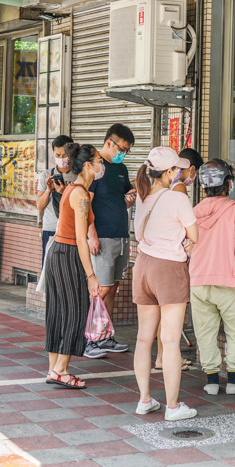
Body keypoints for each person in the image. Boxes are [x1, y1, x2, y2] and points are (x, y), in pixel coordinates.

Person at [132, 147, 199, 421]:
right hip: (169, 268)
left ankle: (144, 400)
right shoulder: (176, 197)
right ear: (170, 172)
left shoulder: (142, 195)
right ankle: (172, 407)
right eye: (177, 169)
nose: (179, 172)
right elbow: (194, 233)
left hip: (142, 266)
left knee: (143, 338)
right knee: (170, 341)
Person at [188, 159, 235, 395]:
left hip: (199, 280)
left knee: (205, 332)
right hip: (230, 280)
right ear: (227, 183)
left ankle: (212, 380)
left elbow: (187, 244)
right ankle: (234, 380)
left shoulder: (194, 211)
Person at [44, 144, 103, 389]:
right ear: (88, 165)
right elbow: (81, 239)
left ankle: (54, 369)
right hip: (68, 254)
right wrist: (91, 275)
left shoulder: (72, 189)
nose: (102, 165)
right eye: (99, 160)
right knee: (76, 310)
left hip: (57, 253)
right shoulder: (80, 194)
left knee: (58, 311)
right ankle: (61, 370)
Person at [86, 123, 137, 357]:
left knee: (113, 288)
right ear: (110, 143)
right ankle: (88, 339)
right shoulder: (96, 168)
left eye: (126, 150)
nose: (123, 153)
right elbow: (85, 203)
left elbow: (123, 198)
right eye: (122, 149)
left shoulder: (121, 170)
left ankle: (105, 336)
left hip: (121, 235)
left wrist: (132, 197)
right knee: (101, 289)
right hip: (103, 237)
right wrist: (92, 235)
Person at [155, 147, 204, 372]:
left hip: (154, 257)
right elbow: (189, 229)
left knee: (159, 313)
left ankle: (160, 358)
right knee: (172, 315)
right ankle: (167, 359)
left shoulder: (160, 188)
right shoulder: (180, 188)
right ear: (190, 168)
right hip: (173, 258)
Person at [36, 135, 76, 269]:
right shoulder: (46, 175)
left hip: (72, 230)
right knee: (49, 270)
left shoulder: (79, 176)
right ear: (53, 154)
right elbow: (40, 205)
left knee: (69, 269)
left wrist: (65, 192)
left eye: (65, 155)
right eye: (58, 155)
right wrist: (48, 190)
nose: (61, 159)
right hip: (51, 229)